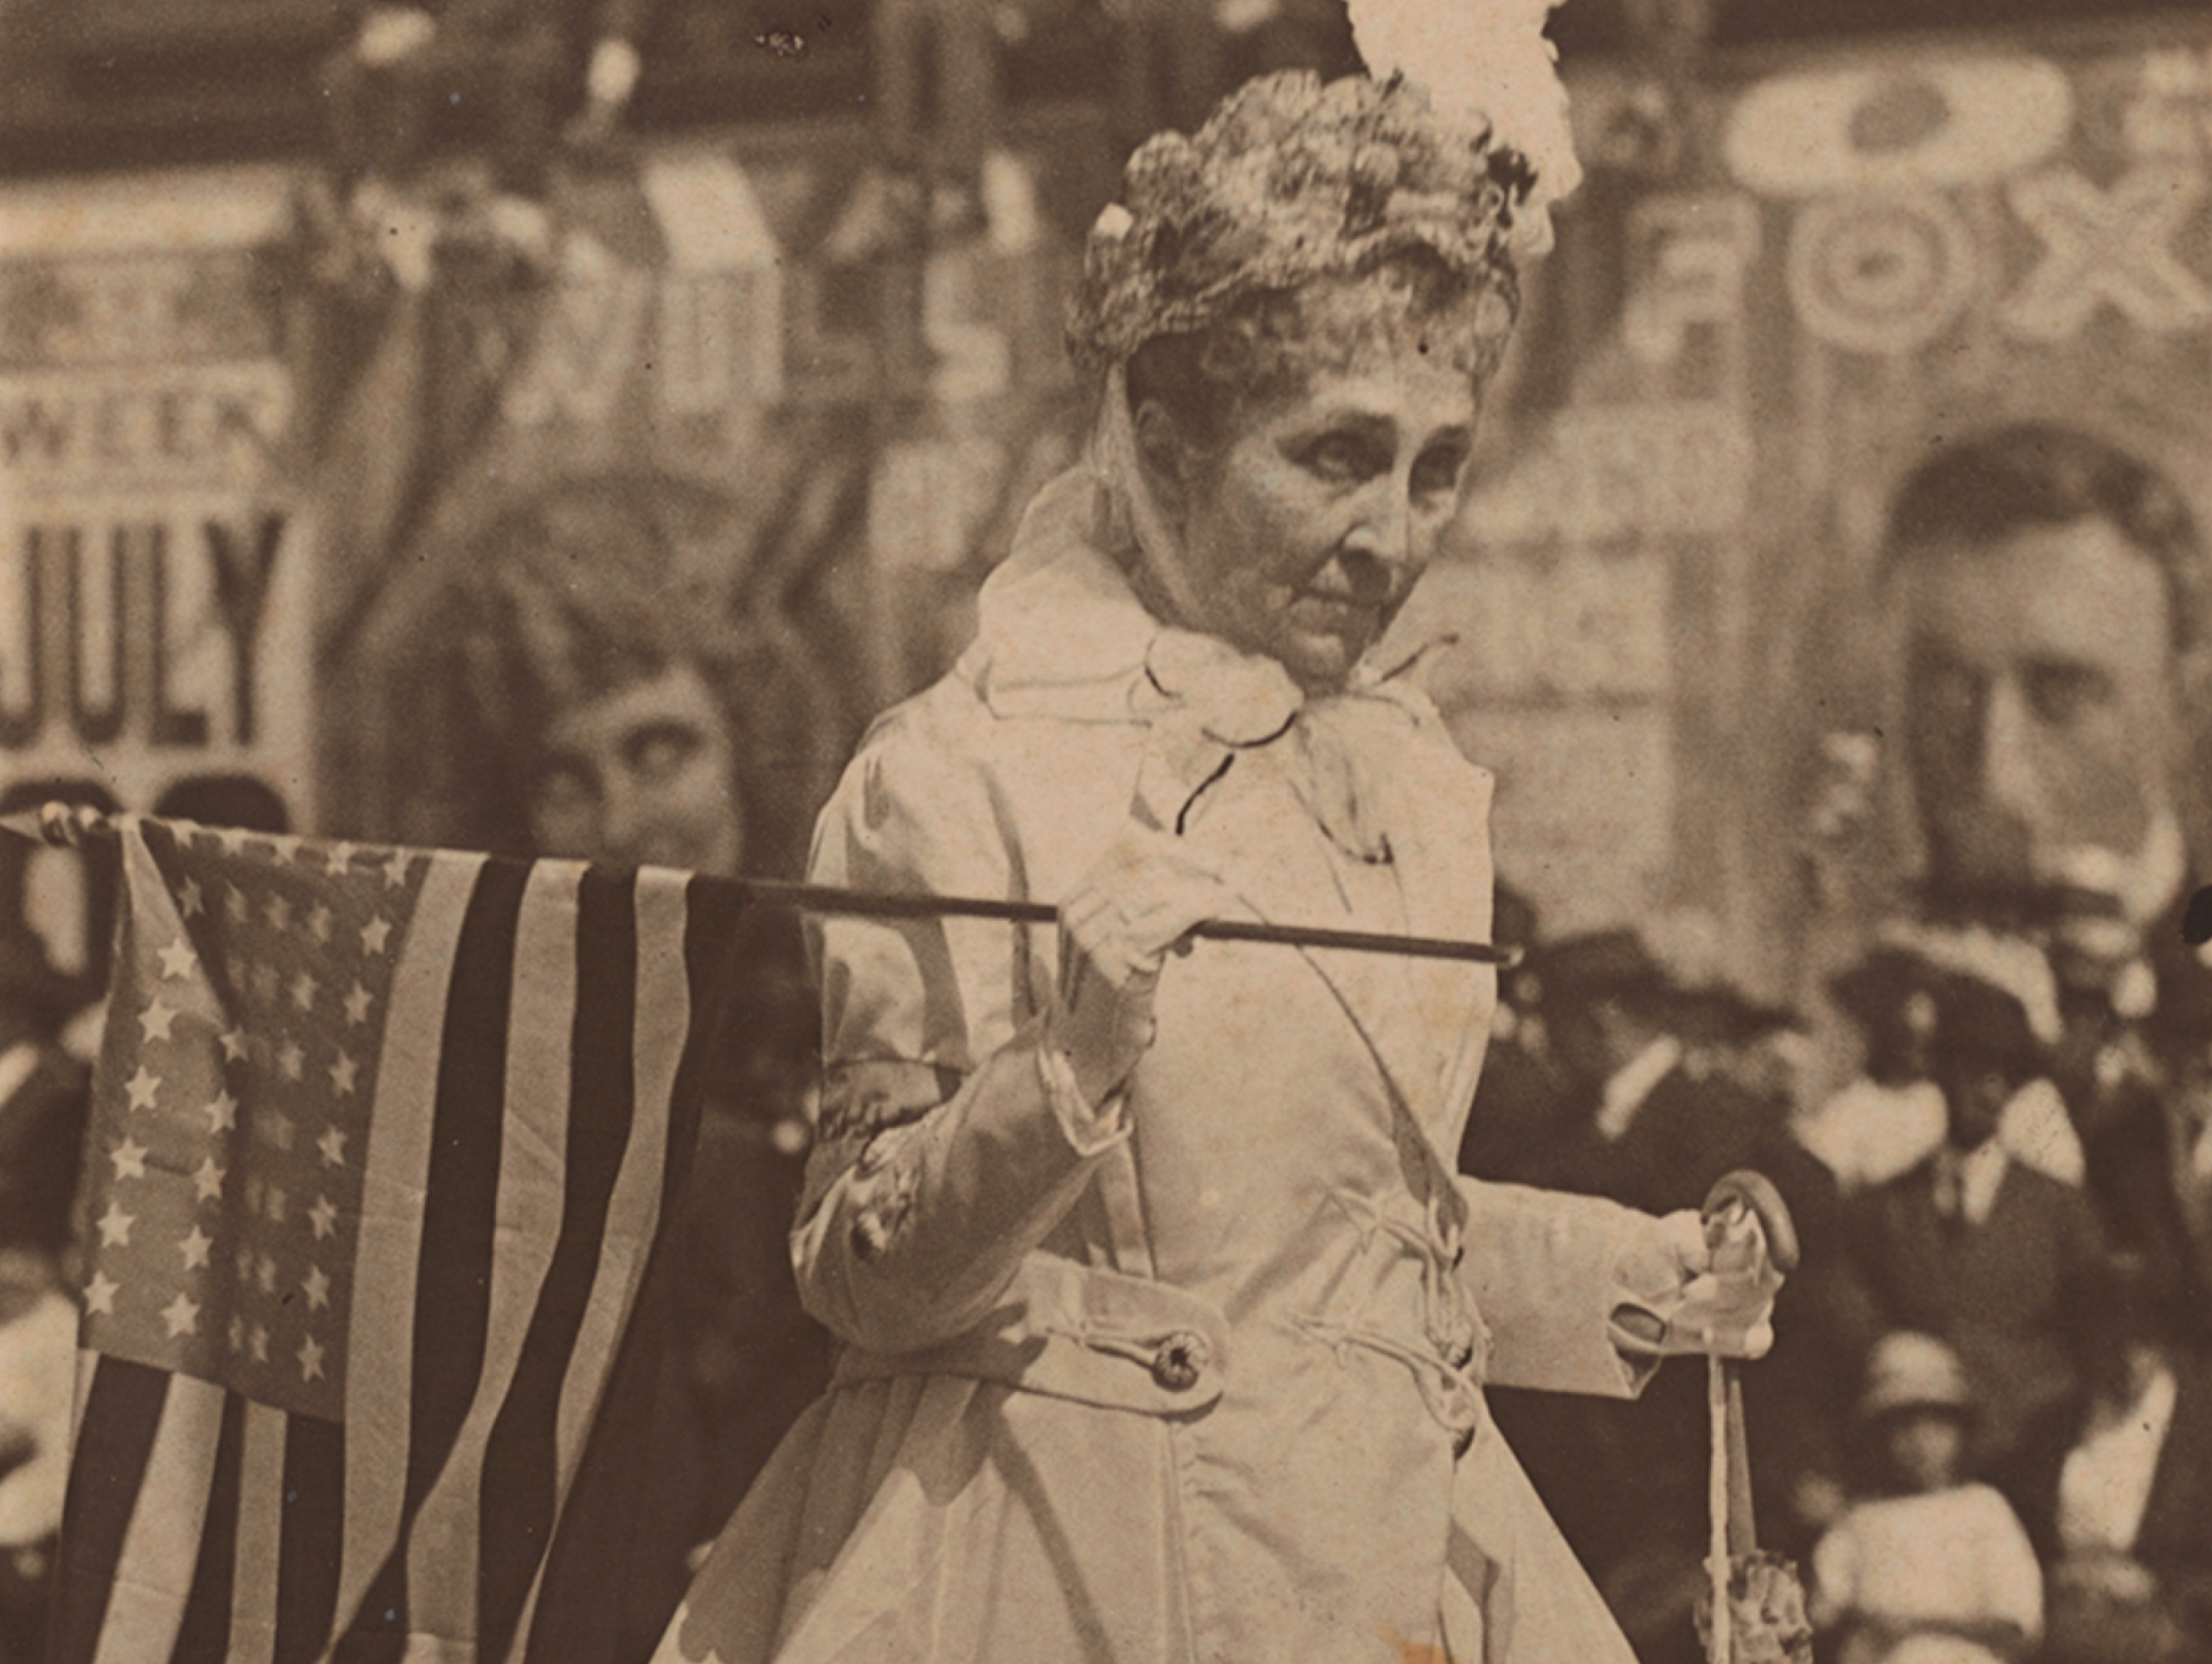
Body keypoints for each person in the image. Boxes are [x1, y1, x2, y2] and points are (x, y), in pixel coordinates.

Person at [653, 57, 1783, 1664]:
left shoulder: (1403, 778)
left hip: (1388, 1564)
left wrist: (1643, 1274)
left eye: (1434, 465)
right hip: (1067, 1571)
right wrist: (1066, 1069)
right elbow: (861, 1273)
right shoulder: (961, 769)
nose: (1391, 534)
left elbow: (1340, 1263)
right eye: (1331, 454)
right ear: (1164, 441)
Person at [448, 479, 837, 1655]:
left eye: (659, 751)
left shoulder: (859, 993)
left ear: (750, 742)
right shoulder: (503, 1048)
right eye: (566, 780)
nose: (620, 823)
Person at [1834, 968, 2109, 1553]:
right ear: (1941, 1076)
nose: (1989, 1092)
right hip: (1918, 1457)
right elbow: (1851, 1314)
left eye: (2005, 1079)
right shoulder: (1887, 1208)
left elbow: (2096, 1339)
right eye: (1974, 1073)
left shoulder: (2060, 1208)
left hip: (2033, 1454)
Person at [1808, 1330, 2043, 1664]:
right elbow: (1824, 1612)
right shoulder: (1860, 1520)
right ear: (1879, 1436)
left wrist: (1915, 1625)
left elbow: (2015, 1624)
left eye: (1937, 1424)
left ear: (1960, 1432)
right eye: (1903, 1425)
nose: (1920, 1442)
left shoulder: (1983, 1509)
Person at [2043, 1255, 2212, 1664]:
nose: (2124, 1357)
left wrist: (2157, 1586)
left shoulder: (2200, 1421)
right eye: (2107, 1339)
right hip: (2072, 1628)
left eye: (2141, 1339)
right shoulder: (2053, 1426)